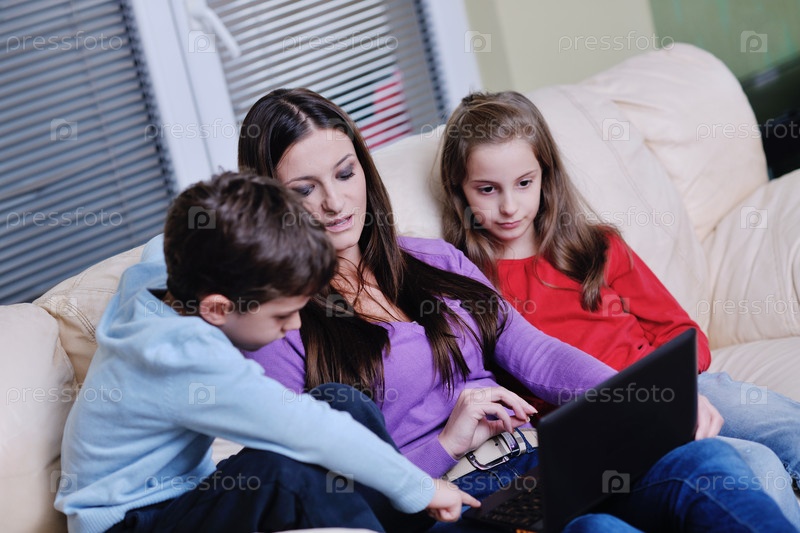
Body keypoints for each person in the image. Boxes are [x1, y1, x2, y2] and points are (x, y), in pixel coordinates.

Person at [238, 88, 796, 532]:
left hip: (542, 458)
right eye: (304, 190)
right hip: (454, 502)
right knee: (599, 529)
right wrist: (446, 443)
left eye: (344, 173)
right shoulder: (277, 328)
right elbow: (337, 498)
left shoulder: (433, 259)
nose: (335, 203)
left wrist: (643, 404)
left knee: (708, 467)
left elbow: (536, 353)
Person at [438, 90, 800, 525]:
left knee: (783, 427)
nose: (509, 206)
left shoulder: (596, 245)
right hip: (604, 427)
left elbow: (680, 331)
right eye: (487, 190)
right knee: (755, 464)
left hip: (674, 389)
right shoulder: (468, 284)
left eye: (524, 183)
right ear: (459, 190)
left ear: (546, 176)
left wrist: (670, 386)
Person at [54, 172, 478, 533]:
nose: (295, 326)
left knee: (342, 401)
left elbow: (166, 241)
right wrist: (421, 486)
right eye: (281, 315)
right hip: (131, 522)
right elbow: (306, 429)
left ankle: (404, 524)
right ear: (218, 309)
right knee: (283, 476)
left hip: (183, 498)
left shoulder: (162, 280)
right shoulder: (181, 357)